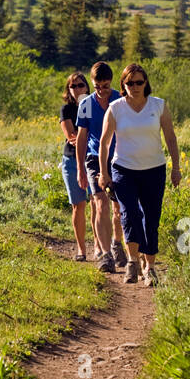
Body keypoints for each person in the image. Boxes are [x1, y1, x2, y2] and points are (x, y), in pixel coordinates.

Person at [99, 63, 181, 286]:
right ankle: (132, 262)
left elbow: (171, 138)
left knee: (151, 218)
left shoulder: (159, 106)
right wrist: (104, 173)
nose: (134, 86)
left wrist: (176, 168)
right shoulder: (115, 108)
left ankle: (150, 267)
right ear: (123, 85)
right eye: (129, 83)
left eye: (139, 82)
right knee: (130, 213)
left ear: (146, 83)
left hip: (154, 169)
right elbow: (105, 143)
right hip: (124, 169)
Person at [74, 62, 128, 273]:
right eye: (97, 86)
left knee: (118, 208)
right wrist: (80, 169)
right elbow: (81, 137)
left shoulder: (121, 100)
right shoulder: (86, 104)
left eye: (105, 86)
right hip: (95, 158)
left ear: (111, 83)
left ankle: (116, 242)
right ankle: (105, 255)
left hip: (119, 157)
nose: (102, 91)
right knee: (100, 203)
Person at [59, 72, 92, 260]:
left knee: (97, 202)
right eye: (73, 86)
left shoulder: (93, 106)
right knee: (78, 205)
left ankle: (101, 246)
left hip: (94, 159)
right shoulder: (67, 109)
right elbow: (71, 136)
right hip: (71, 160)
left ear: (87, 87)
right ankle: (81, 249)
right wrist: (89, 137)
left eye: (80, 85)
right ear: (68, 90)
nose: (77, 89)